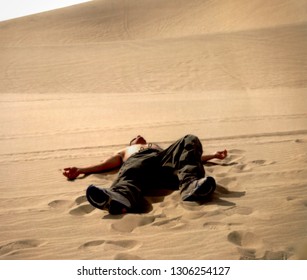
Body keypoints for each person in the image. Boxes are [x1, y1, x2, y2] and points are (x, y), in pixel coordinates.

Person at [63, 134, 227, 215]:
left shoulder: (157, 147)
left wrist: (213, 155)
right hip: (140, 170)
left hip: (165, 168)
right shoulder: (125, 150)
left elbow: (186, 157)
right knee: (135, 164)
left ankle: (190, 185)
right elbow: (105, 165)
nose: (138, 135)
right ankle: (120, 197)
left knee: (190, 138)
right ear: (131, 143)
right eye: (134, 137)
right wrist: (80, 170)